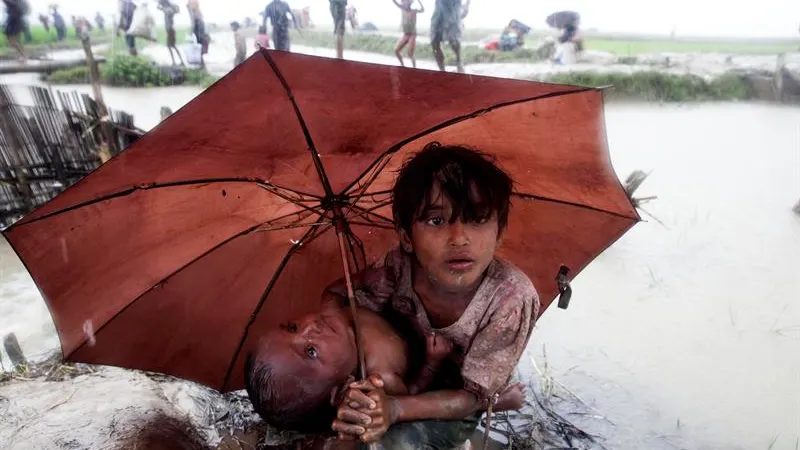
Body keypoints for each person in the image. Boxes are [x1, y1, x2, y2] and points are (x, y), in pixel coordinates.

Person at [327, 143, 539, 448]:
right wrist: (358, 390)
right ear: (406, 238)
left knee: (390, 443)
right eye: (437, 220)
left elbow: (469, 396)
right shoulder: (396, 268)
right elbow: (339, 303)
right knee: (341, 423)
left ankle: (496, 400)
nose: (459, 238)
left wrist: (396, 409)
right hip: (398, 376)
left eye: (478, 218)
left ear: (500, 233)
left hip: (455, 400)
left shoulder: (510, 299)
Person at [244, 294, 525, 436]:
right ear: (342, 390)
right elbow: (417, 394)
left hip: (407, 325)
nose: (309, 328)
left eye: (292, 327)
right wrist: (431, 363)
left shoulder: (332, 312)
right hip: (433, 362)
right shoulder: (382, 377)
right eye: (311, 351)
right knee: (463, 399)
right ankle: (496, 402)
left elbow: (336, 291)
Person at [430, 0, 466, 72]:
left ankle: (459, 62)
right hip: (439, 10)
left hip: (453, 9)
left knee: (453, 40)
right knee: (434, 42)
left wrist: (467, 5)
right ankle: (442, 71)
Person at [392, 0, 423, 68]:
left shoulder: (414, 11)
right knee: (396, 50)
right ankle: (402, 66)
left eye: (407, 2)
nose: (405, 3)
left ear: (410, 3)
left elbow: (422, 10)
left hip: (412, 34)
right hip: (406, 34)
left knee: (410, 53)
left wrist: (419, 1)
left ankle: (414, 68)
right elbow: (395, 2)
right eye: (404, 2)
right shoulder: (402, 8)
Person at [157, 0, 184, 66]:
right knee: (172, 46)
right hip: (170, 31)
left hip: (170, 31)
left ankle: (176, 61)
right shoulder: (169, 9)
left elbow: (160, 8)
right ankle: (178, 61)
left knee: (171, 46)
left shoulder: (168, 10)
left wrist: (159, 5)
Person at [187, 0, 208, 67]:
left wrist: (191, 33)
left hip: (198, 35)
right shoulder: (198, 13)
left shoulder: (195, 14)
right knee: (199, 53)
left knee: (198, 53)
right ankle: (202, 67)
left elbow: (194, 25)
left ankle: (202, 67)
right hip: (200, 35)